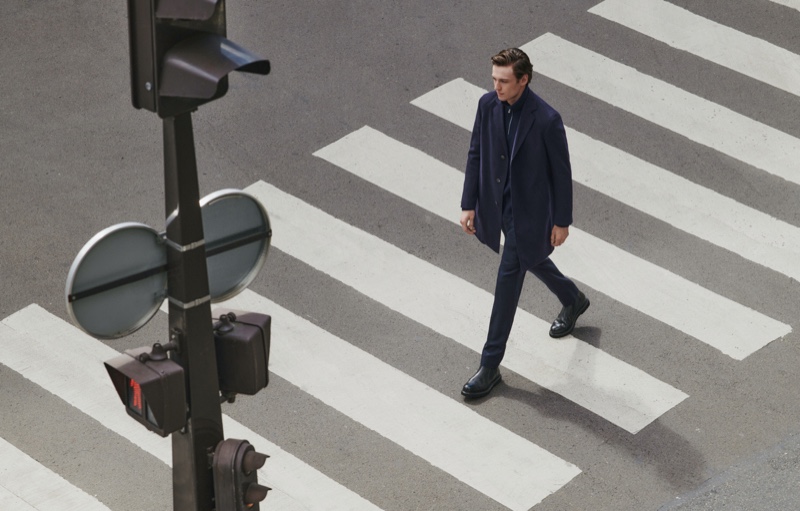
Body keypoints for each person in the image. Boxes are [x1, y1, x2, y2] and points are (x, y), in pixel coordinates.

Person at [459, 48, 589, 399]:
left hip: (528, 212)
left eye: (504, 81)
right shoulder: (487, 106)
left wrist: (562, 221)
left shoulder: (546, 119)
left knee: (507, 280)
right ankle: (572, 298)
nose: (496, 87)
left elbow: (561, 175)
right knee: (531, 256)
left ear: (523, 80)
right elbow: (476, 153)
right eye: (494, 80)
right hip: (495, 205)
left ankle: (489, 365)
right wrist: (468, 203)